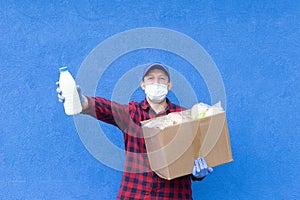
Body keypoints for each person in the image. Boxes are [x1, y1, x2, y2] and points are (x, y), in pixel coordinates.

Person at [56, 63, 213, 199]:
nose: (156, 82)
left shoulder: (185, 117)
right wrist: (81, 101)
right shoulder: (131, 113)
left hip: (174, 195)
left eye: (161, 79)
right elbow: (104, 108)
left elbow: (198, 153)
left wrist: (198, 173)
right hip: (136, 193)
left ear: (169, 85)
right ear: (143, 85)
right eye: (150, 79)